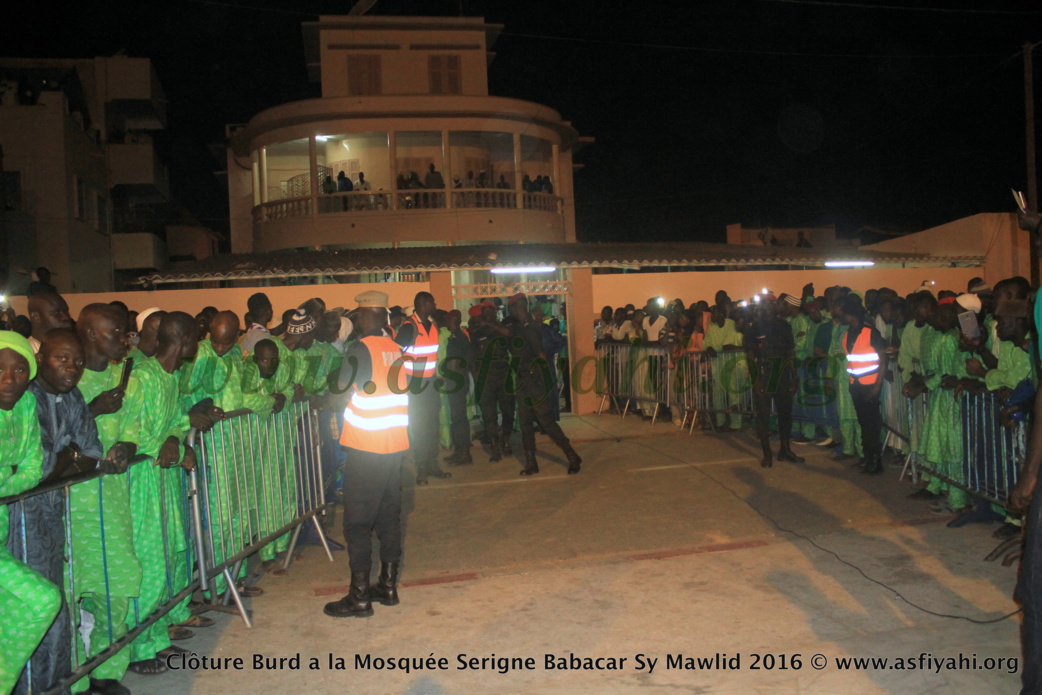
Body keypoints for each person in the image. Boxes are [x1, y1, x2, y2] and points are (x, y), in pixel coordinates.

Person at [7, 328, 118, 695]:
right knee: (33, 608)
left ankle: (57, 685)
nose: (71, 368)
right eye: (61, 358)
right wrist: (60, 462)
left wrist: (58, 463)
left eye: (78, 361)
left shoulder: (72, 398)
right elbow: (35, 470)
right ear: (40, 360)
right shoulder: (23, 399)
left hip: (49, 515)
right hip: (17, 521)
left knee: (57, 602)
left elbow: (91, 452)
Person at [70, 303, 148, 686]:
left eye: (125, 332)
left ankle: (106, 670)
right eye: (114, 333)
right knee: (68, 595)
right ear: (89, 334)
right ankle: (74, 678)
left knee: (116, 587)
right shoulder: (67, 380)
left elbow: (133, 428)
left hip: (112, 502)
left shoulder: (127, 380)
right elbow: (51, 438)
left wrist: (128, 448)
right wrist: (93, 410)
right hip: (70, 508)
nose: (124, 340)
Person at [325, 290, 408, 619]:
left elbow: (339, 392)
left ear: (368, 316)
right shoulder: (396, 349)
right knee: (389, 517)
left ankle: (359, 596)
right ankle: (387, 586)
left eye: (358, 316)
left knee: (357, 523)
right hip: (394, 446)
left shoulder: (359, 349)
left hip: (366, 445)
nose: (355, 321)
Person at [0, 331, 62, 695]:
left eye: (20, 369)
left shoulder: (24, 407)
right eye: (0, 369)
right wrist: (11, 476)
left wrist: (6, 479)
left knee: (37, 602)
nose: (10, 378)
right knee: (43, 599)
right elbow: (20, 473)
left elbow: (33, 469)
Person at [505, 293, 581, 476]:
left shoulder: (531, 328)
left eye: (512, 309)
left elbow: (541, 356)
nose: (511, 312)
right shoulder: (519, 327)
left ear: (518, 308)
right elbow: (507, 333)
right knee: (525, 423)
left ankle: (572, 456)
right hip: (522, 380)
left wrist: (544, 383)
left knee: (545, 421)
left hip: (533, 381)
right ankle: (531, 463)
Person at [396, 292, 451, 484]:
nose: (435, 304)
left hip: (430, 384)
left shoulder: (433, 324)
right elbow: (396, 353)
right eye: (432, 302)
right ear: (424, 303)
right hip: (415, 385)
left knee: (432, 426)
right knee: (420, 428)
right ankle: (421, 469)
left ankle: (432, 465)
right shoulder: (409, 327)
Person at [743, 296, 804, 468]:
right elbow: (750, 356)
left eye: (771, 304)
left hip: (783, 372)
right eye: (765, 305)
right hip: (764, 373)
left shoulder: (784, 326)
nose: (769, 307)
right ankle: (767, 454)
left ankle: (785, 450)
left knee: (786, 413)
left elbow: (791, 352)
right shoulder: (753, 328)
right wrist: (755, 380)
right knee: (763, 415)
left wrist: (795, 377)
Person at [839, 295, 888, 475]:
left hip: (869, 386)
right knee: (863, 423)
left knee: (871, 425)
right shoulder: (848, 333)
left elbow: (883, 360)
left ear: (850, 314)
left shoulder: (870, 332)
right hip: (856, 385)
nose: (841, 316)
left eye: (843, 313)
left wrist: (876, 387)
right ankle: (868, 458)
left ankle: (875, 461)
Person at [470, 301, 516, 460]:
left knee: (508, 412)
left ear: (496, 313)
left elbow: (509, 334)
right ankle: (495, 448)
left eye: (492, 311)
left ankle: (506, 440)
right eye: (486, 311)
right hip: (486, 376)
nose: (489, 313)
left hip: (503, 374)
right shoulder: (477, 332)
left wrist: (490, 324)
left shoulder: (502, 329)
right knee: (489, 415)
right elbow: (473, 356)